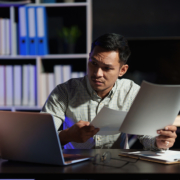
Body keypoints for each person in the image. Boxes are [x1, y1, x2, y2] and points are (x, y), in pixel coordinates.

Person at [41, 33, 177, 150]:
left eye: (107, 68)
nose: (97, 73)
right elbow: (40, 138)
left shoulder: (131, 91)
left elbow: (145, 134)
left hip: (117, 168)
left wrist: (159, 141)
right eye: (93, 63)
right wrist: (68, 135)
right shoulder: (64, 91)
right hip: (75, 168)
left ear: (122, 70)